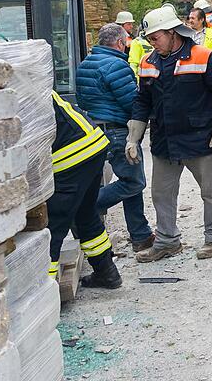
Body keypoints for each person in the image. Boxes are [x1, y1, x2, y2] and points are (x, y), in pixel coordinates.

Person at [126, 6, 212, 262]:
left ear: (173, 32)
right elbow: (142, 101)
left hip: (198, 138)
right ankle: (167, 241)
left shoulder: (203, 56)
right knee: (161, 193)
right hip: (165, 141)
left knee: (210, 190)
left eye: (156, 37)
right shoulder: (148, 62)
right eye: (150, 39)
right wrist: (133, 138)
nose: (152, 43)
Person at [75, 23, 154, 252]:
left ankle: (140, 234)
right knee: (134, 181)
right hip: (119, 132)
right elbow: (132, 103)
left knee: (129, 180)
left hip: (96, 130)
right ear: (120, 43)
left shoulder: (85, 64)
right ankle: (85, 205)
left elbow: (83, 101)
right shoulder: (117, 65)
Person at [48, 91, 121, 289]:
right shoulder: (31, 81)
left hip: (70, 153)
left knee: (53, 225)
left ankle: (46, 292)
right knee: (85, 214)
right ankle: (107, 273)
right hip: (92, 142)